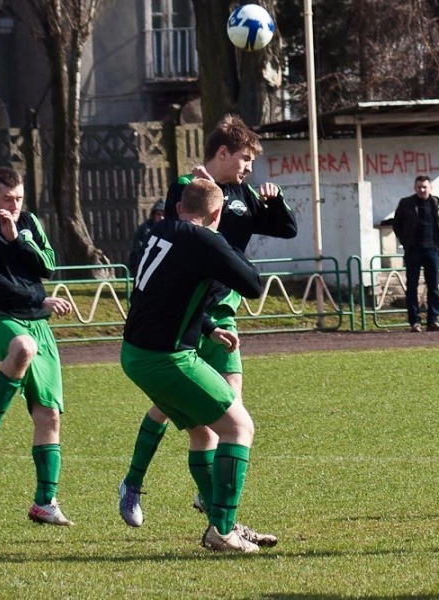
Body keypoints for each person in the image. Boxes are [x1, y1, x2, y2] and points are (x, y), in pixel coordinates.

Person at [118, 114, 297, 532]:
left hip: (216, 313)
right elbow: (185, 229)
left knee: (219, 414)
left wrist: (277, 201)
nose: (249, 167)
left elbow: (286, 228)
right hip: (185, 312)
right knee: (195, 414)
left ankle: (215, 506)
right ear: (222, 153)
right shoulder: (188, 187)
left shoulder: (246, 195)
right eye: (245, 158)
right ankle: (136, 482)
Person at [121, 179, 268, 552]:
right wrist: (225, 241)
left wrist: (208, 326)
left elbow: (163, 295)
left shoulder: (161, 229)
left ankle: (221, 517)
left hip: (137, 353)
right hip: (166, 358)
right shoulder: (202, 239)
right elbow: (252, 284)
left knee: (204, 430)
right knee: (239, 426)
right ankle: (222, 530)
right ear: (217, 213)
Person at [0, 167, 75, 526]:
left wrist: (17, 239)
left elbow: (49, 266)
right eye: (7, 199)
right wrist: (39, 300)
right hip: (2, 318)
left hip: (38, 322)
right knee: (22, 348)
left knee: (49, 415)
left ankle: (45, 503)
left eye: (19, 198)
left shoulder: (28, 222)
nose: (14, 205)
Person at [393, 175, 439, 332]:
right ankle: (414, 321)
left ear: (430, 188)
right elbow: (397, 225)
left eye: (425, 187)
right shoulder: (406, 203)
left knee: (433, 286)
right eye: (419, 187)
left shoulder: (436, 203)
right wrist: (406, 241)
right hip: (413, 250)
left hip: (432, 249)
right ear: (414, 188)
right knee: (412, 286)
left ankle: (433, 320)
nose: (422, 190)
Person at [127, 199, 165, 277]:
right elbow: (140, 251)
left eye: (164, 215)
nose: (161, 217)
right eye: (158, 214)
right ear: (153, 215)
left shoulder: (171, 228)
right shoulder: (145, 230)